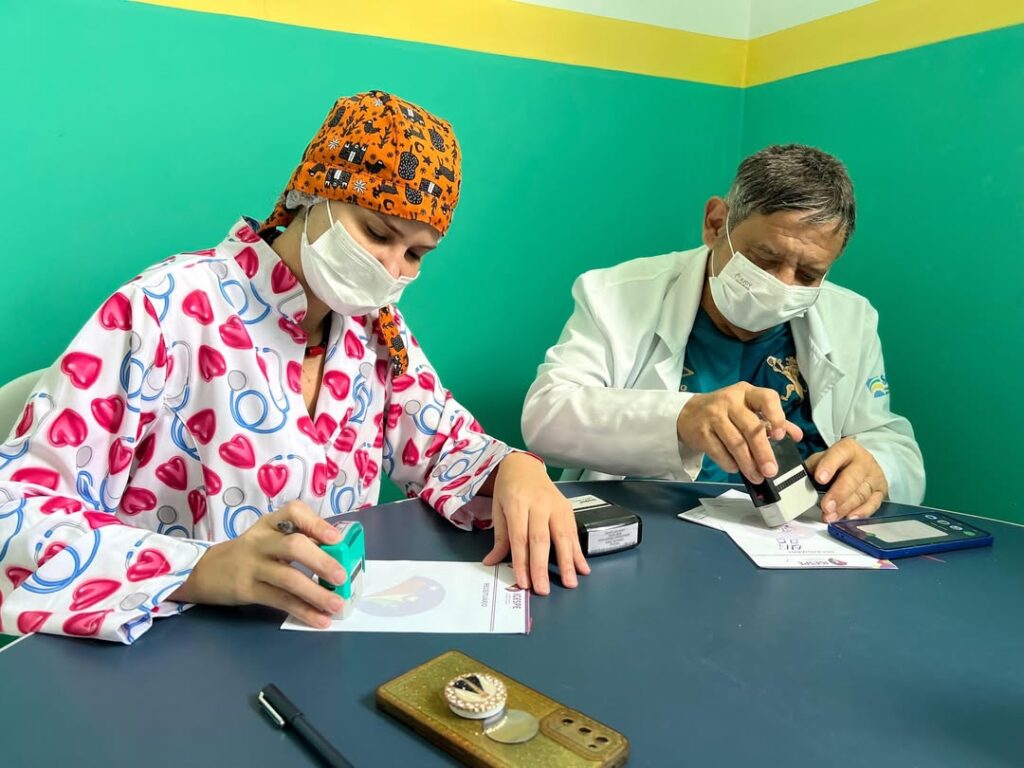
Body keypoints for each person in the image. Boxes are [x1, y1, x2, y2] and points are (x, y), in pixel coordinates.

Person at [0, 91, 588, 643]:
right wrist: (202, 569)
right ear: (311, 193)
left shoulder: (372, 332)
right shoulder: (163, 311)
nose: (391, 269)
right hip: (169, 647)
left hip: (319, 638)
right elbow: (17, 516)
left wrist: (514, 468)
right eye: (376, 232)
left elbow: (441, 443)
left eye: (414, 254)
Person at [522, 144, 924, 521]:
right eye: (764, 259)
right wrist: (682, 418)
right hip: (653, 524)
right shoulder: (615, 294)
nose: (783, 285)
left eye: (808, 274)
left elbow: (888, 440)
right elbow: (546, 415)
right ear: (716, 224)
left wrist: (878, 465)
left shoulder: (851, 318)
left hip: (798, 536)